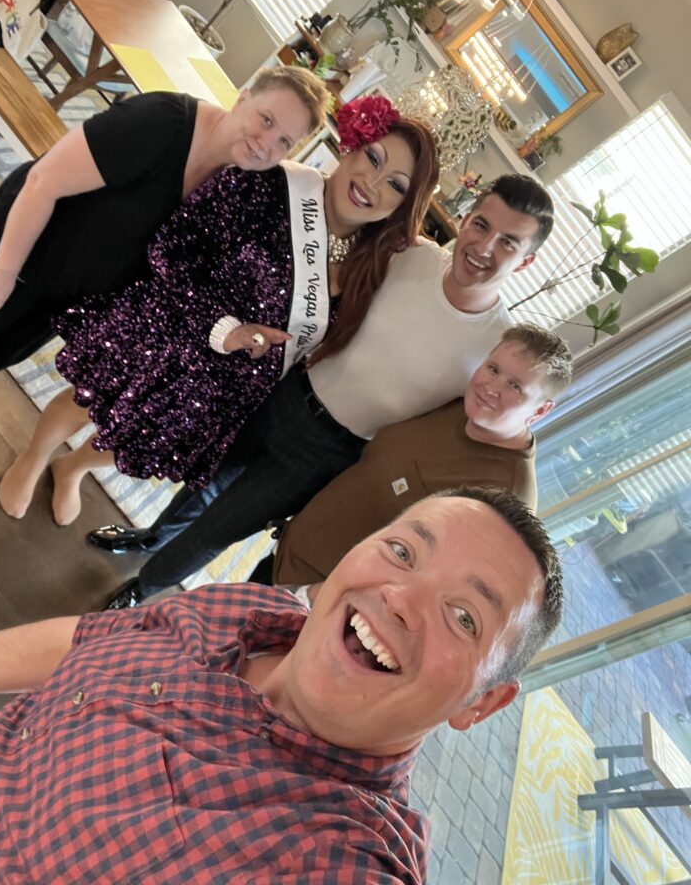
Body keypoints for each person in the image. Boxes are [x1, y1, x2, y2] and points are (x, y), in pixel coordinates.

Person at [0, 487, 563, 884]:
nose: (402, 598)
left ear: (482, 703)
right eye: (402, 552)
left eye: (464, 617)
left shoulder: (335, 855)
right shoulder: (246, 615)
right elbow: (82, 643)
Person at [90, 172, 557, 608]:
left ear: (527, 261)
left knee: (219, 526)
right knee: (206, 481)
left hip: (330, 451)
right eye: (481, 225)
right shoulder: (410, 255)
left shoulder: (494, 347)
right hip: (287, 391)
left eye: (508, 243)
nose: (484, 246)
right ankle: (150, 536)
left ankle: (142, 589)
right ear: (466, 217)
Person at [0, 98, 439, 525]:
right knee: (87, 402)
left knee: (138, 441)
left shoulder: (368, 272)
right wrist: (224, 327)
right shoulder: (266, 184)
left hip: (217, 392)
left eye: (397, 185)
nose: (373, 184)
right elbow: (173, 249)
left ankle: (73, 468)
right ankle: (34, 456)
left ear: (403, 206)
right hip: (166, 333)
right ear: (352, 146)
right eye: (374, 158)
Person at [0, 66, 330, 453]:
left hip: (69, 292)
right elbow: (42, 180)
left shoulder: (232, 183)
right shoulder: (160, 120)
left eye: (284, 142)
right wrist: (5, 270)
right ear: (242, 99)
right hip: (24, 249)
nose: (267, 143)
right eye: (266, 120)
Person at [265, 323, 573, 587]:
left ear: (541, 410)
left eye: (515, 386)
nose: (491, 387)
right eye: (493, 369)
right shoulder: (459, 406)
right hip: (287, 554)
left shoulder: (509, 497)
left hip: (316, 604)